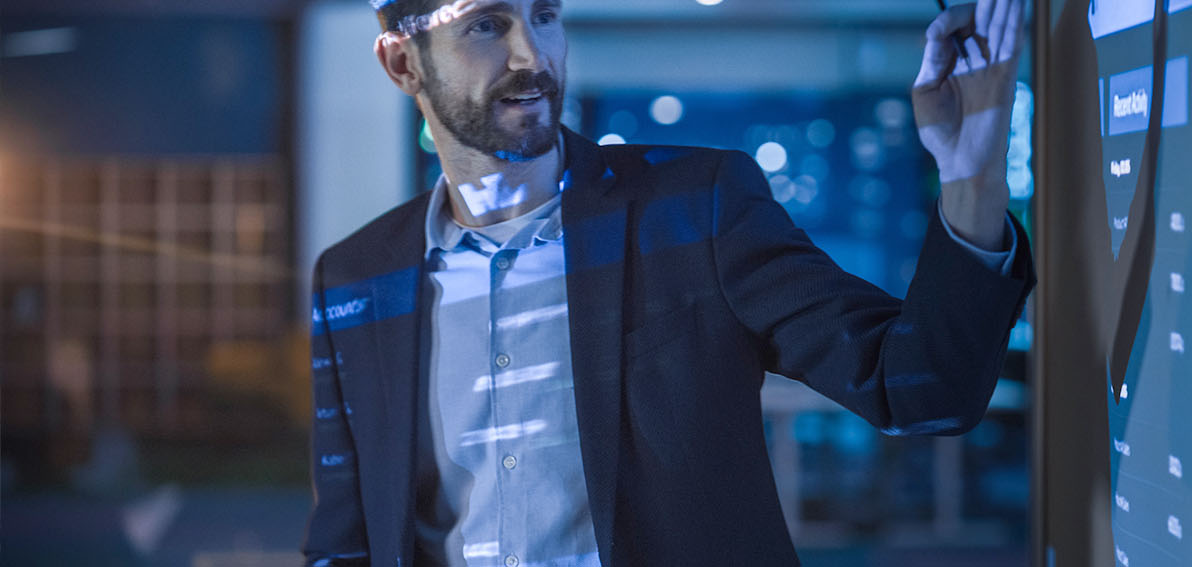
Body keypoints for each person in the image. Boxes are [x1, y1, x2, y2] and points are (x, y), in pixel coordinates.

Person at [303, 0, 1033, 565]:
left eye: (547, 15)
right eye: (488, 23)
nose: (533, 54)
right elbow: (346, 533)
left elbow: (921, 387)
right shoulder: (357, 278)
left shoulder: (695, 210)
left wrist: (971, 176)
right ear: (403, 64)